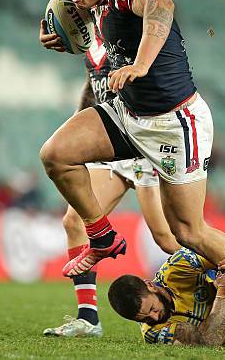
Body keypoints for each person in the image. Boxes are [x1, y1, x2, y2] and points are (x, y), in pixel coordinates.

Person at [38, 0, 225, 347]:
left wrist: (141, 64)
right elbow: (99, 61)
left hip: (174, 124)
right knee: (56, 155)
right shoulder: (95, 5)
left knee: (187, 233)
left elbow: (161, 5)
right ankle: (101, 237)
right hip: (128, 115)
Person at [43, 40, 180, 338]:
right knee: (74, 221)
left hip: (141, 145)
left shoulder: (124, 32)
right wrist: (77, 130)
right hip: (111, 149)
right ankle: (88, 318)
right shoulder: (93, 47)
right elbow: (93, 90)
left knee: (168, 238)